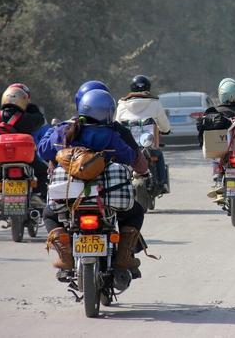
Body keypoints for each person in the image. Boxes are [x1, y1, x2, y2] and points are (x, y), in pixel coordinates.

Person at [38, 89, 145, 282]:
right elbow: (129, 156)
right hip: (104, 198)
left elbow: (43, 151)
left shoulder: (65, 130)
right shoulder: (111, 134)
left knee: (49, 213)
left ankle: (65, 256)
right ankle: (123, 257)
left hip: (70, 198)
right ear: (108, 111)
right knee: (135, 211)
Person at [0, 85, 47, 215]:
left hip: (2, 160)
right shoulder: (27, 118)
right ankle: (38, 195)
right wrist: (32, 108)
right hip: (26, 158)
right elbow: (40, 120)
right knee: (43, 172)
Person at [74, 80, 148, 175]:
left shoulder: (67, 129)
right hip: (110, 183)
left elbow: (50, 152)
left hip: (72, 181)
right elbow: (140, 165)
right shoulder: (117, 132)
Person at [115, 75, 169, 191]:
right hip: (148, 145)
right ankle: (163, 182)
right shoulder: (155, 102)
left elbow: (117, 124)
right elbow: (164, 125)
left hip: (129, 145)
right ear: (148, 87)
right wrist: (166, 130)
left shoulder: (122, 104)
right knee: (158, 155)